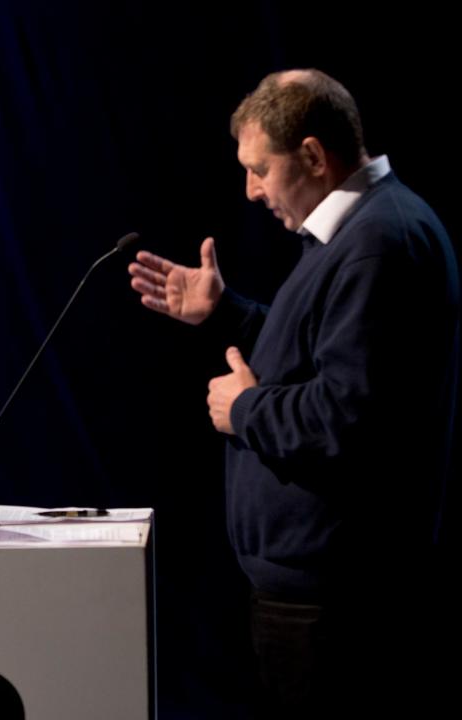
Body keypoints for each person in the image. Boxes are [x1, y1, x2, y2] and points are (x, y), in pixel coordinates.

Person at [129, 69, 458, 717]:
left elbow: (347, 415)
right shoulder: (352, 235)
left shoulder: (378, 245)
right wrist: (225, 312)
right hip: (318, 601)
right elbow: (312, 357)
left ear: (312, 154)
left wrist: (243, 409)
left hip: (338, 609)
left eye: (260, 169)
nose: (250, 191)